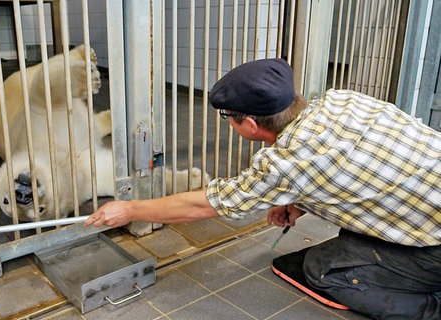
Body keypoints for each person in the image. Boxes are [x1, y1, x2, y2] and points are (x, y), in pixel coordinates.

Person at [84, 58, 441, 319]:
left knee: (320, 268)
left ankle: (427, 310)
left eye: (227, 118)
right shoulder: (342, 100)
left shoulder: (284, 164)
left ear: (251, 124)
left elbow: (205, 205)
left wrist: (128, 210)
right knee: (351, 237)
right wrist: (300, 202)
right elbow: (361, 166)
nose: (227, 124)